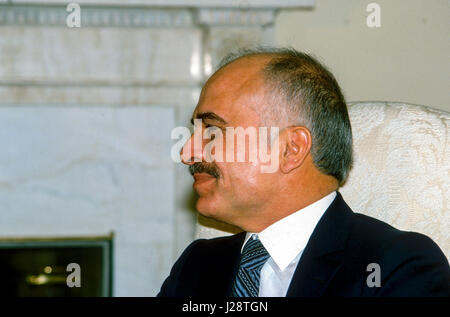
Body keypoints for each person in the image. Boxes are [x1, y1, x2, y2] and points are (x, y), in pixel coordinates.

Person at [158, 47, 449, 297]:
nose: (187, 153)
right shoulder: (197, 266)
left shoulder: (394, 266)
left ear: (291, 149)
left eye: (212, 129)